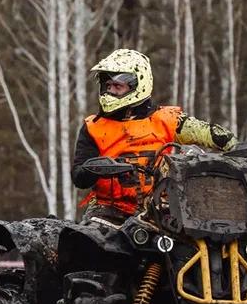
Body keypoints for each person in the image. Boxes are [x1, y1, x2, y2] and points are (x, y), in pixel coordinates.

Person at [72, 48, 237, 225]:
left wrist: (232, 145)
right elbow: (79, 177)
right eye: (108, 86)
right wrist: (96, 167)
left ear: (137, 85)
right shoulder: (94, 127)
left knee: (198, 238)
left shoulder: (166, 119)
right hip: (109, 210)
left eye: (117, 86)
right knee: (90, 243)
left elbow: (205, 132)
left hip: (161, 208)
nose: (110, 91)